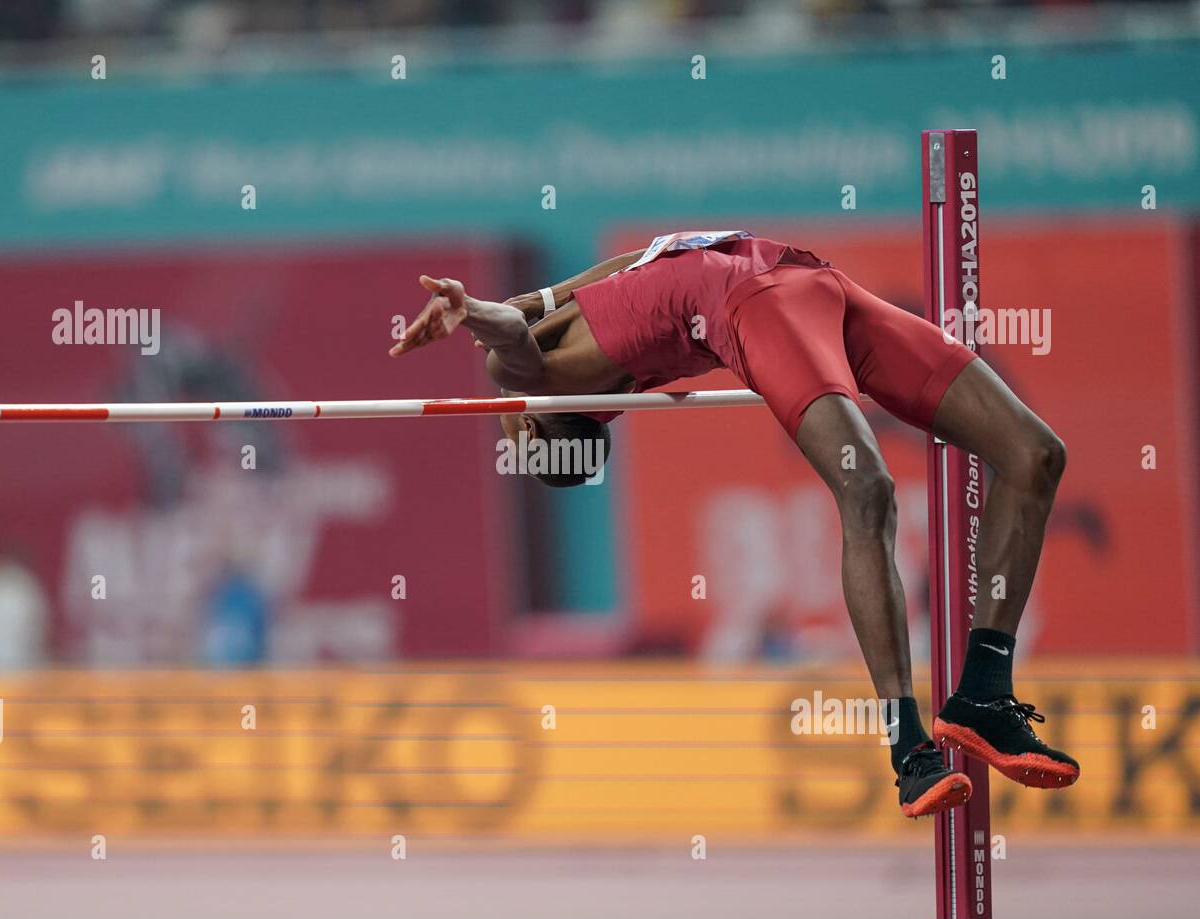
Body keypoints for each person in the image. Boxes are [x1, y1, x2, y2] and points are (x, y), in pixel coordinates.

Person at [390, 230, 1078, 818]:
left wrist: (504, 305)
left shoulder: (552, 311)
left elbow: (639, 258)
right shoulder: (536, 371)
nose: (503, 417)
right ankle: (909, 747)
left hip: (817, 282)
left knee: (1035, 453)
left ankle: (983, 694)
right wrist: (472, 311)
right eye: (514, 429)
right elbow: (505, 342)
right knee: (866, 488)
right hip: (757, 306)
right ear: (544, 419)